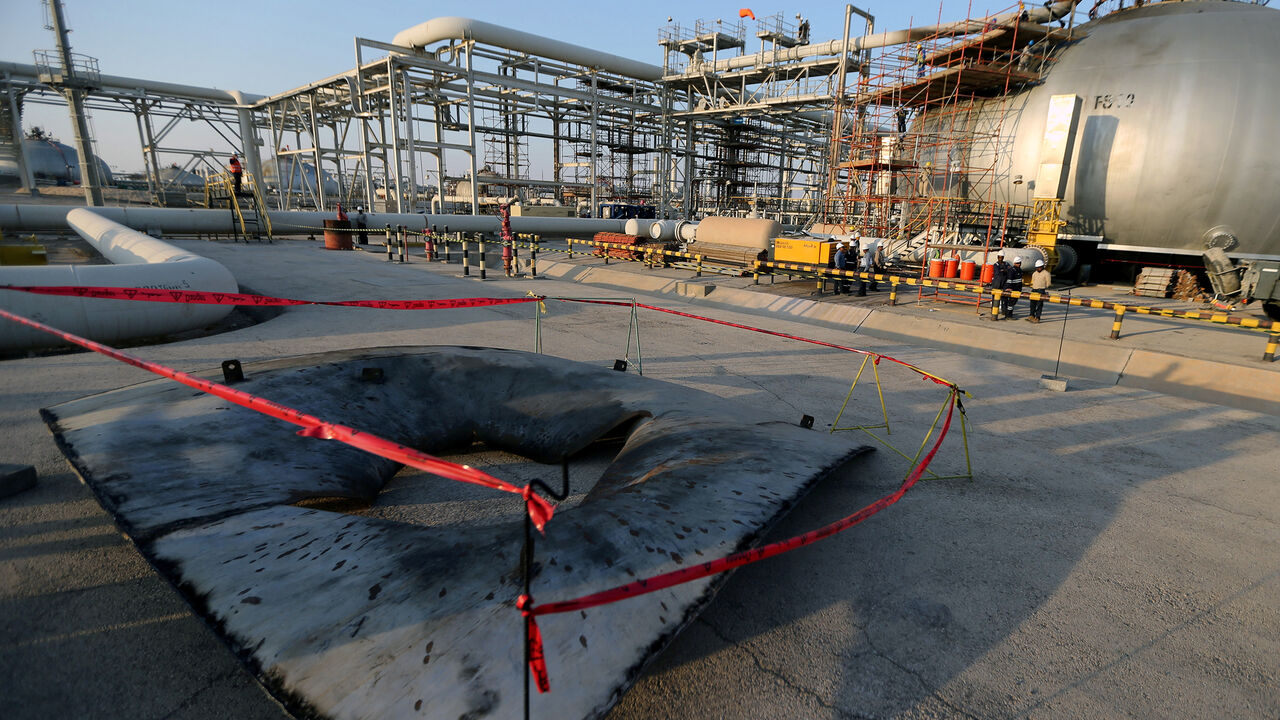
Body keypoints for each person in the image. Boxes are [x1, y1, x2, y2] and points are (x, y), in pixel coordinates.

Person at [989, 250, 1010, 319]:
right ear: (997, 257)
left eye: (1002, 257)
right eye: (999, 257)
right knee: (995, 297)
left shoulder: (1006, 264)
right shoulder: (996, 265)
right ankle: (993, 310)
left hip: (1004, 283)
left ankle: (1004, 310)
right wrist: (1004, 270)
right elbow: (998, 272)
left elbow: (1009, 270)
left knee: (1005, 297)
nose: (1001, 259)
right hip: (997, 283)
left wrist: (1004, 270)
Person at [1028, 258, 1050, 322]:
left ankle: (1037, 317)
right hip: (1034, 290)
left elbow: (1048, 283)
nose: (1038, 269)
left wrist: (1043, 287)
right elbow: (1033, 281)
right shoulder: (1034, 273)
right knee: (1032, 304)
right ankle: (1031, 315)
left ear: (1042, 266)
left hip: (1041, 290)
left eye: (1039, 267)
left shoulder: (1046, 274)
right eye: (1037, 267)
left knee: (1039, 305)